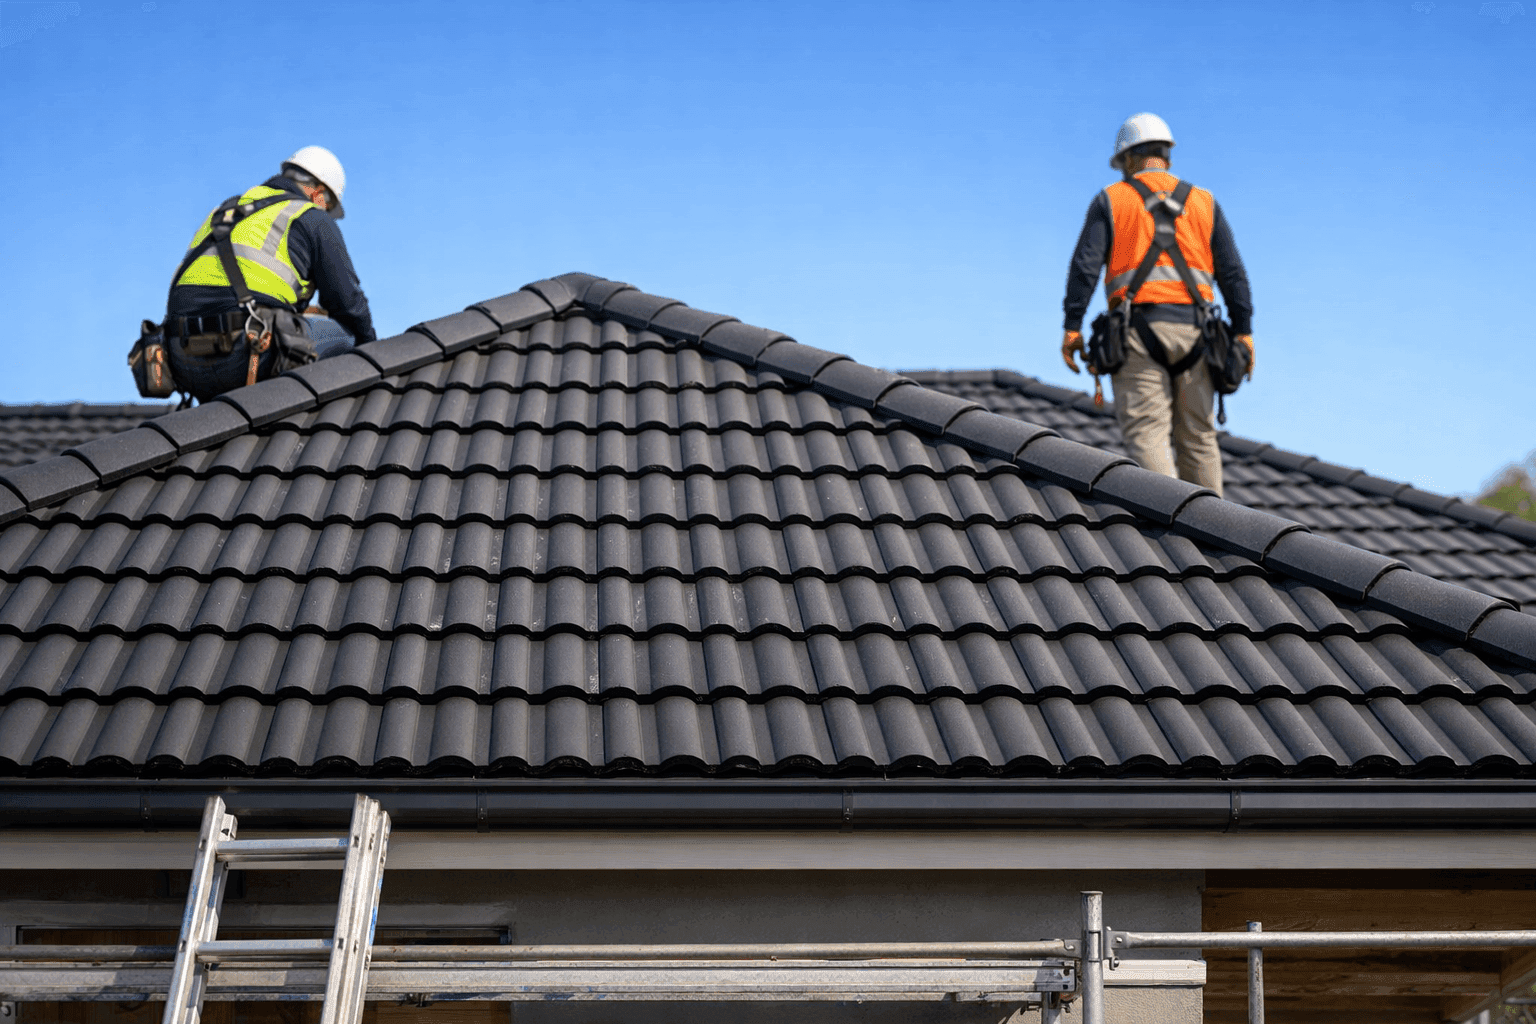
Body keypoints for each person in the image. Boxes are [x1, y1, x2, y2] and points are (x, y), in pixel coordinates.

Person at [1059, 114, 1253, 497]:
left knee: (1147, 435)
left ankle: (1171, 536)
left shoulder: (1111, 200)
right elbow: (1233, 273)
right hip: (1199, 335)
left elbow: (1085, 267)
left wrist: (1072, 326)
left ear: (1128, 159)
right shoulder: (1203, 202)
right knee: (1198, 437)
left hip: (1137, 335)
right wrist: (1244, 333)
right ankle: (1215, 537)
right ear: (1166, 156)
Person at [164, 146, 376, 400]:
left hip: (181, 359)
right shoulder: (308, 216)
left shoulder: (224, 210)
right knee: (347, 335)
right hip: (247, 354)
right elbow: (348, 304)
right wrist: (375, 360)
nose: (326, 212)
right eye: (329, 206)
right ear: (319, 192)